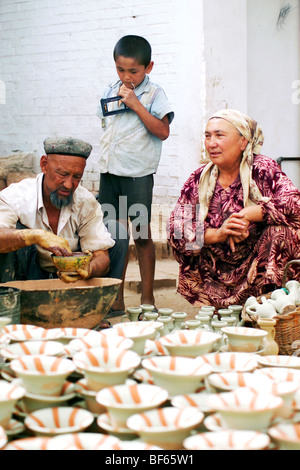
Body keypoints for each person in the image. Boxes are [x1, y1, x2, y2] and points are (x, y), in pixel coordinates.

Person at [167, 109, 300, 309]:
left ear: (243, 142)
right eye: (207, 136)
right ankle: (219, 309)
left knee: (283, 233)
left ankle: (270, 308)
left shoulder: (262, 170)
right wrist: (218, 233)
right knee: (188, 241)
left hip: (257, 265)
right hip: (214, 270)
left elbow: (294, 204)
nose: (211, 143)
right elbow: (175, 230)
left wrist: (251, 214)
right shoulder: (198, 179)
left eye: (220, 135)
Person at [96, 35, 174, 315]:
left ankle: (148, 298)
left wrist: (136, 105)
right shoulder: (109, 89)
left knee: (141, 236)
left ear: (148, 67)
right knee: (113, 237)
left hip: (137, 177)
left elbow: (163, 132)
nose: (126, 76)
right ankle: (116, 299)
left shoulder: (154, 94)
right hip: (110, 174)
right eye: (120, 69)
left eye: (133, 71)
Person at [0, 136, 128, 287]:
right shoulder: (16, 196)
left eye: (76, 177)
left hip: (71, 281)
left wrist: (89, 269)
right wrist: (35, 236)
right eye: (62, 174)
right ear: (44, 164)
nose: (68, 185)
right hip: (28, 277)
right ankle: (10, 307)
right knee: (16, 234)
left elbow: (102, 256)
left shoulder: (85, 202)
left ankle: (106, 306)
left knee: (117, 230)